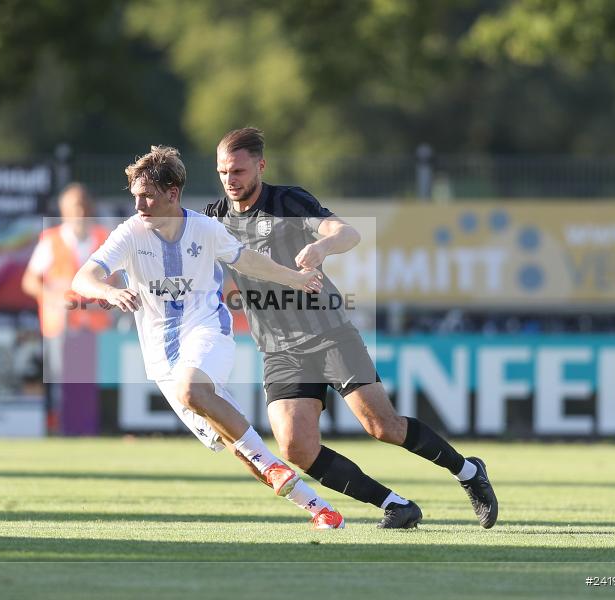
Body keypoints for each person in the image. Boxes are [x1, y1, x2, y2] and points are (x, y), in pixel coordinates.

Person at [205, 127, 497, 529]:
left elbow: (347, 232)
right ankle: (396, 505)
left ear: (260, 165)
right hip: (279, 349)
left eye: (238, 170)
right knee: (295, 446)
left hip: (328, 333)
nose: (230, 180)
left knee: (383, 427)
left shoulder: (288, 200)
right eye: (223, 172)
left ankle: (468, 472)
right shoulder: (214, 217)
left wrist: (322, 246)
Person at [72, 145, 345, 529]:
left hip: (207, 329)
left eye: (147, 195)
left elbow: (249, 260)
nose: (139, 205)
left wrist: (295, 279)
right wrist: (108, 291)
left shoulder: (205, 229)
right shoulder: (129, 233)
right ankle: (318, 507)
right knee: (235, 443)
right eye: (135, 196)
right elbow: (82, 277)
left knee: (192, 391)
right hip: (159, 356)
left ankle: (275, 469)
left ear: (173, 192)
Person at [22, 183, 112, 435]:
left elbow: (116, 278)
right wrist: (52, 297)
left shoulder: (104, 238)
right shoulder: (51, 240)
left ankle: (93, 430)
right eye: (74, 207)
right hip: (59, 326)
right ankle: (60, 430)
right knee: (62, 385)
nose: (80, 212)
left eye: (84, 205)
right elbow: (29, 281)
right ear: (64, 211)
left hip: (94, 326)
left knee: (93, 387)